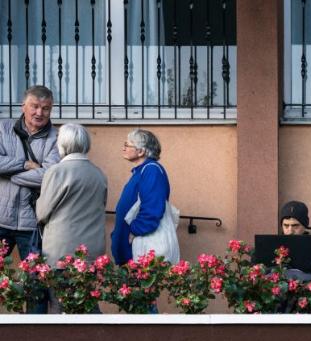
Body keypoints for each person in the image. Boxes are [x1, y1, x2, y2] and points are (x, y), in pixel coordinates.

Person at [35, 123, 108, 313]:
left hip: (61, 251)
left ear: (63, 145)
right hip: (92, 251)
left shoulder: (56, 171)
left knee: (61, 307)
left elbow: (42, 213)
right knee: (87, 303)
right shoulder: (99, 174)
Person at [0, 85, 60, 257]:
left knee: (37, 280)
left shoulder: (56, 138)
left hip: (33, 223)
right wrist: (27, 164)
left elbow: (49, 176)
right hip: (1, 219)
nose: (39, 113)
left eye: (45, 108)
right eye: (34, 106)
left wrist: (9, 174)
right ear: (23, 106)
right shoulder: (3, 129)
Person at [111, 129, 178, 266]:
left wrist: (134, 230)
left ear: (141, 151)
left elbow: (152, 209)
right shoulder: (142, 171)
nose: (123, 148)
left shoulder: (151, 171)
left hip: (141, 250)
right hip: (132, 250)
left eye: (127, 145)